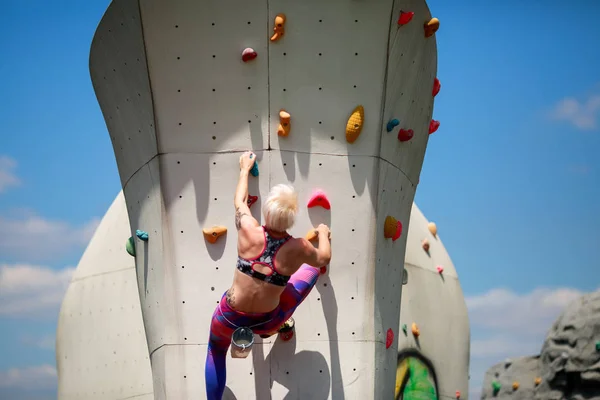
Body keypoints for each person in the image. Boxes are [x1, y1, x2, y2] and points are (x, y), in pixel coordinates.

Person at [205, 151, 332, 400]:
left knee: (215, 350)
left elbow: (239, 201)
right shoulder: (299, 248)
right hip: (267, 321)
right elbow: (323, 258)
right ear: (291, 218)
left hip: (229, 316)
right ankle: (279, 327)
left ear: (266, 210)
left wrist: (244, 169)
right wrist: (324, 233)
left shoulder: (248, 229)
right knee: (311, 269)